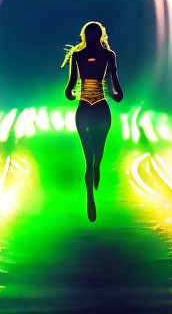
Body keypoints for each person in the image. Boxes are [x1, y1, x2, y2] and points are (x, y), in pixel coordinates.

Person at [62, 21, 123, 222]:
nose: (93, 38)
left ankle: (95, 172)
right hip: (92, 109)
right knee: (91, 157)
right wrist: (71, 93)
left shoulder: (103, 56)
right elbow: (72, 84)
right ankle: (90, 194)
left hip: (92, 109)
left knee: (95, 154)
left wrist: (72, 94)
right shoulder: (87, 56)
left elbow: (115, 84)